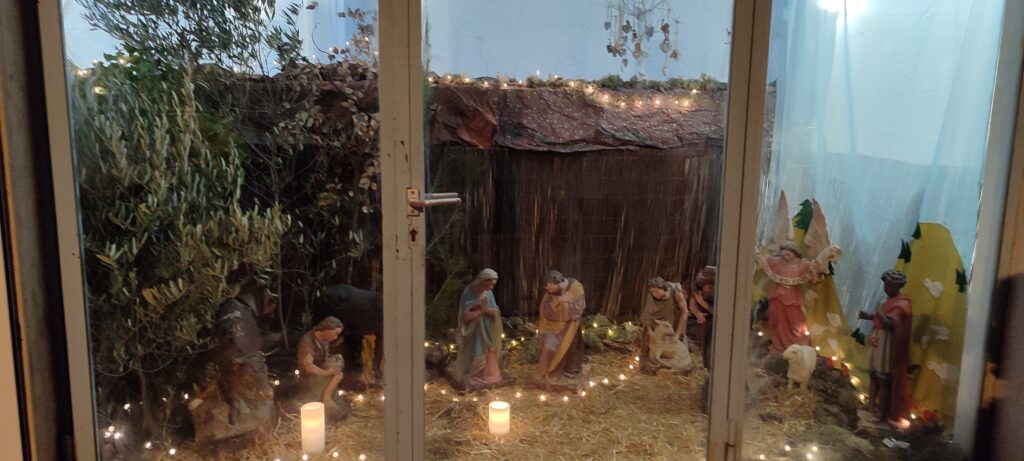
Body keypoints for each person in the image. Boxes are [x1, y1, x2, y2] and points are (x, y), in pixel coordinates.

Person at [858, 270, 913, 428]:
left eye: (891, 286)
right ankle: (871, 405)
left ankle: (882, 416)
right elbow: (881, 317)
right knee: (873, 374)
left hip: (887, 344)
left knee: (883, 379)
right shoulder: (887, 300)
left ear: (899, 286)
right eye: (886, 285)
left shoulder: (902, 304)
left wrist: (879, 312)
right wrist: (869, 316)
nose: (887, 288)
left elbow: (889, 324)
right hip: (877, 341)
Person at [755, 241, 817, 353]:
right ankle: (778, 346)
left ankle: (796, 346)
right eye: (783, 254)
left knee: (796, 323)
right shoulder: (778, 261)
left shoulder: (802, 264)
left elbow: (812, 278)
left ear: (795, 254)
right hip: (777, 296)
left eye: (788, 254)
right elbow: (765, 262)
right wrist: (758, 255)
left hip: (793, 298)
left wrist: (814, 270)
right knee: (776, 321)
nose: (785, 257)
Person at [449, 269, 506, 388]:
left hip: (487, 330)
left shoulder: (489, 293)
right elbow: (465, 317)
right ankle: (472, 375)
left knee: (489, 352)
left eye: (493, 285)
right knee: (474, 352)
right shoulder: (468, 293)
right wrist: (478, 308)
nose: (491, 288)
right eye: (490, 284)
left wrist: (486, 310)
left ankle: (488, 376)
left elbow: (495, 312)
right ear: (482, 281)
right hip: (473, 331)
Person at [534, 270, 586, 383]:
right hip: (554, 325)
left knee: (569, 345)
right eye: (548, 290)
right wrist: (557, 303)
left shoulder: (576, 288)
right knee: (548, 345)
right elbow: (545, 309)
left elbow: (578, 309)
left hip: (571, 325)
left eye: (550, 288)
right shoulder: (552, 292)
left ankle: (569, 369)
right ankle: (550, 369)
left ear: (555, 282)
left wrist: (564, 305)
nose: (549, 291)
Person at [638, 276, 690, 372]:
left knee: (672, 347)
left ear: (662, 288)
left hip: (670, 324)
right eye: (652, 292)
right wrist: (649, 330)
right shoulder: (652, 295)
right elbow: (647, 314)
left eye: (655, 291)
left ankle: (673, 368)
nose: (653, 295)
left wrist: (677, 334)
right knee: (651, 346)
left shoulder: (676, 292)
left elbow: (685, 312)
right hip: (655, 323)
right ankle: (651, 368)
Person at [295, 317, 345, 413]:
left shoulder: (324, 341)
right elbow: (308, 366)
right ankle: (326, 399)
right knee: (337, 375)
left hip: (320, 371)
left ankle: (327, 397)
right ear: (328, 329)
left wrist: (335, 359)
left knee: (338, 373)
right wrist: (326, 372)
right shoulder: (308, 341)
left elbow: (324, 358)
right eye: (336, 333)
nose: (336, 337)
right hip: (308, 376)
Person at [689, 266, 716, 369]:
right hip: (704, 322)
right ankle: (707, 366)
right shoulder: (697, 291)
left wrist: (702, 302)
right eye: (710, 287)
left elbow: (718, 312)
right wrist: (698, 314)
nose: (712, 290)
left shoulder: (717, 294)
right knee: (705, 345)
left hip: (716, 321)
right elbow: (692, 305)